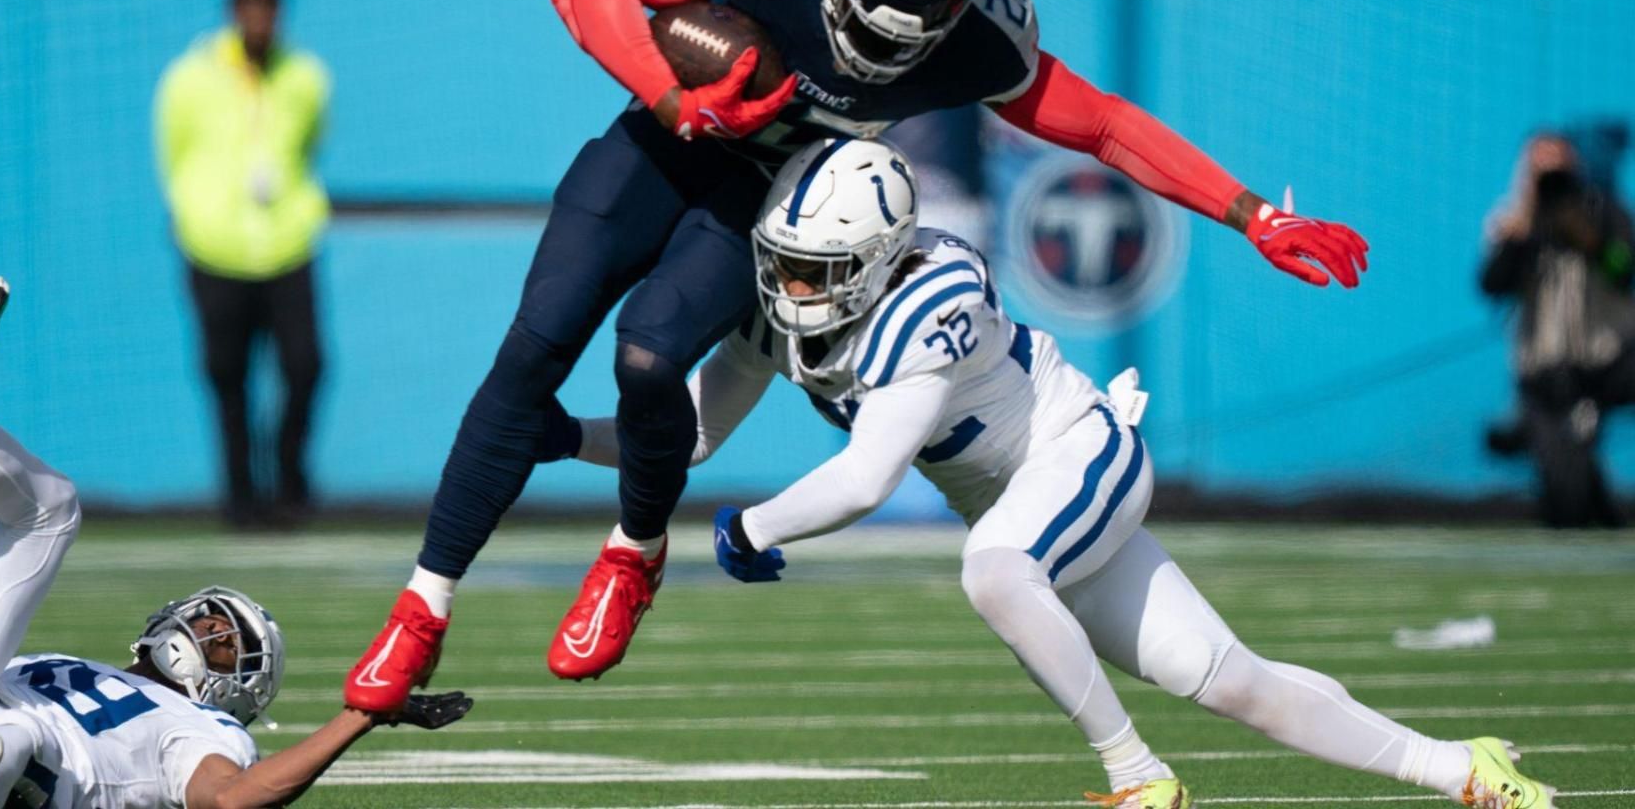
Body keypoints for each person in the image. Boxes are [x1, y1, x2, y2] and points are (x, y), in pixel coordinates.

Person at [344, 0, 1370, 712]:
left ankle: (633, 551)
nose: (871, 50)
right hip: (667, 139)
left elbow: (1100, 122)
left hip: (757, 196)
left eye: (900, 39)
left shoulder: (977, 32)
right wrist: (676, 98)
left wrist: (1252, 211)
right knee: (535, 341)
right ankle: (423, 605)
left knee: (650, 358)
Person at [571, 140, 1554, 809]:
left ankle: (1137, 777)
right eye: (786, 263)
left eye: (815, 270)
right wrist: (566, 438)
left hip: (1075, 456)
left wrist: (758, 526)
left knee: (995, 569)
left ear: (877, 260)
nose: (792, 288)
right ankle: (1466, 770)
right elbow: (687, 436)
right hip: (1026, 505)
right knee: (1225, 680)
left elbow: (868, 478)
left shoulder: (929, 297)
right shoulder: (779, 311)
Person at [0, 276, 471, 809]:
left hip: (11, 777)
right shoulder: (62, 665)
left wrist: (359, 716)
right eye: (212, 619)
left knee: (49, 533)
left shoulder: (206, 728)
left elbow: (233, 798)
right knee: (4, 708)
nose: (211, 631)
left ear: (239, 692)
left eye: (230, 645)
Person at [155, 0, 330, 526]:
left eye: (268, 11)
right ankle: (241, 497)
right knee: (228, 375)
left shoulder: (305, 77)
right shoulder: (191, 78)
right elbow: (174, 151)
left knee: (304, 366)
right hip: (215, 245)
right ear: (234, 13)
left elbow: (308, 145)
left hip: (286, 242)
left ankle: (289, 481)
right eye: (250, 10)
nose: (259, 21)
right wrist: (194, 213)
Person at [1480, 132, 1635, 529]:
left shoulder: (1602, 211)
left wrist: (1592, 241)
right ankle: (1564, 465)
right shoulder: (1512, 220)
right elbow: (1492, 285)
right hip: (1544, 371)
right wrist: (1521, 239)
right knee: (1567, 509)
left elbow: (1625, 271)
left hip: (1606, 362)